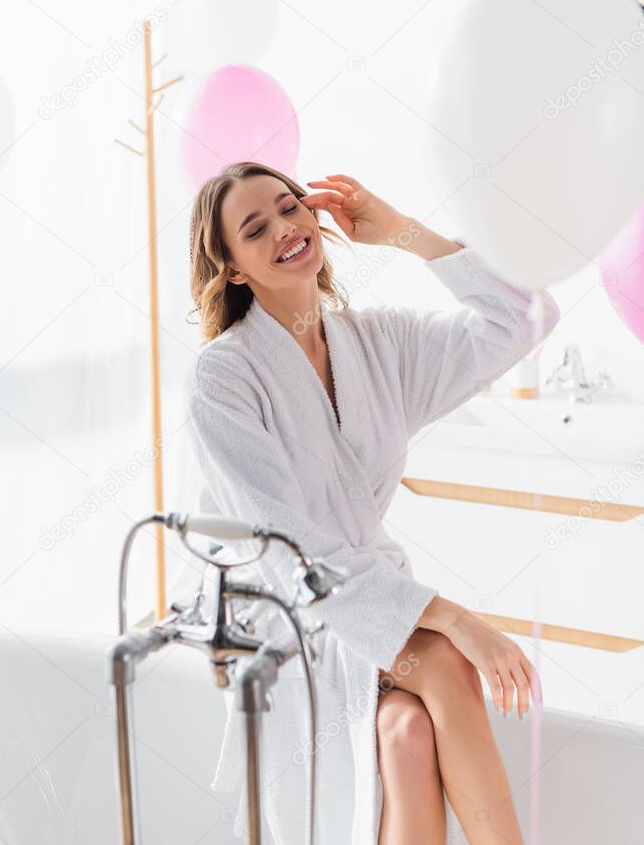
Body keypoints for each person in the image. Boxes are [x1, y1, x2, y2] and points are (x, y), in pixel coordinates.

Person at [184, 161, 560, 844]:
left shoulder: (376, 343)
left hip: (366, 604)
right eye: (255, 227)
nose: (286, 228)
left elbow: (525, 319)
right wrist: (458, 622)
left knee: (406, 730)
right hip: (279, 613)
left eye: (292, 206)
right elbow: (286, 551)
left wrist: (403, 233)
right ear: (233, 268)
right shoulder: (222, 378)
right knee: (445, 663)